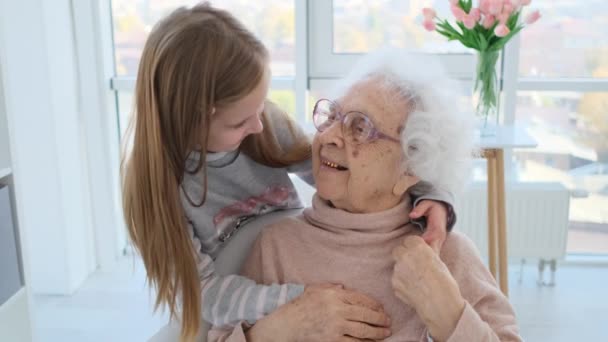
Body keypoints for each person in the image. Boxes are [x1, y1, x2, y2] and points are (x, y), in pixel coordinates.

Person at [121, 3, 457, 340]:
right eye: (240, 121)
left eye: (261, 107)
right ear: (194, 117)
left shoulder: (262, 124)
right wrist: (296, 303)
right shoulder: (160, 191)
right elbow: (204, 295)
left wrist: (430, 194)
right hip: (221, 311)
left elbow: (338, 172)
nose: (257, 126)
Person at [209, 50, 522, 341]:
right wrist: (278, 329)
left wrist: (450, 315)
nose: (329, 136)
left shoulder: (446, 253)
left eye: (360, 128)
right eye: (332, 116)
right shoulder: (277, 245)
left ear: (411, 167)